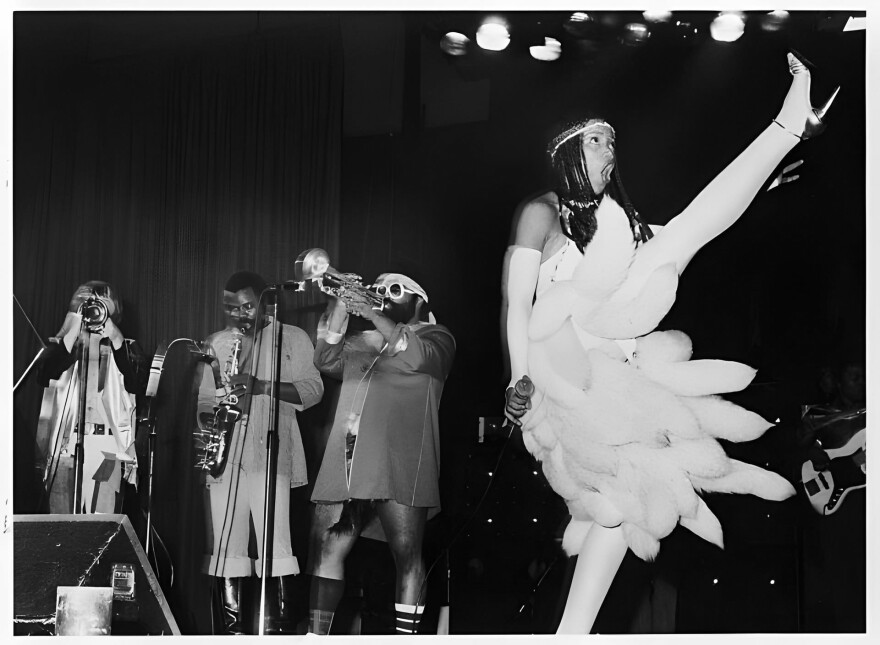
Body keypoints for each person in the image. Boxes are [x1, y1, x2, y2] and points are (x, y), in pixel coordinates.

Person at [502, 53, 836, 634]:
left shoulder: (621, 223)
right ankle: (786, 124)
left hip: (622, 387)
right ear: (568, 150)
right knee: (676, 235)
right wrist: (517, 379)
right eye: (600, 141)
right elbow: (516, 304)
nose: (611, 152)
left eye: (613, 142)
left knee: (621, 514)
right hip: (568, 384)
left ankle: (570, 633)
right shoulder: (541, 214)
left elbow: (704, 221)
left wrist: (755, 188)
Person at [306, 271, 455, 635]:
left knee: (407, 556)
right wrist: (343, 302)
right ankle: (315, 636)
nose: (385, 296)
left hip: (400, 461)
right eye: (379, 290)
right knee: (326, 549)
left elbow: (416, 357)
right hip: (349, 460)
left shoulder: (438, 337)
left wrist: (373, 314)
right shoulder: (363, 340)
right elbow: (324, 358)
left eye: (395, 289)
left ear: (420, 300)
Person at [197, 271, 324, 634]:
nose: (239, 313)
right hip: (225, 454)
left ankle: (277, 632)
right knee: (226, 548)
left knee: (276, 544)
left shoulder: (291, 337)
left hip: (272, 453)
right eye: (232, 307)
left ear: (266, 302)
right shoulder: (217, 342)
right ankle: (233, 633)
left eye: (247, 305)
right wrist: (213, 419)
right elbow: (205, 400)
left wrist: (260, 387)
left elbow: (314, 391)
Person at [36, 280, 146, 515]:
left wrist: (116, 338)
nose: (94, 309)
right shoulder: (65, 347)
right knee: (62, 528)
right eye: (88, 303)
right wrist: (72, 327)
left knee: (101, 528)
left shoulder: (126, 347)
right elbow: (44, 374)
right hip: (66, 446)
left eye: (100, 303)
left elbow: (137, 383)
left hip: (107, 448)